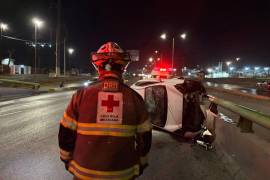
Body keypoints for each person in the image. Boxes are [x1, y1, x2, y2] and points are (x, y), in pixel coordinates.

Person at [58, 42, 152, 180]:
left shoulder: (80, 96)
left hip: (84, 174)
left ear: (98, 66)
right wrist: (141, 164)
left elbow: (65, 133)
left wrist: (67, 160)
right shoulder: (135, 98)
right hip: (123, 174)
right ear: (123, 67)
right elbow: (145, 139)